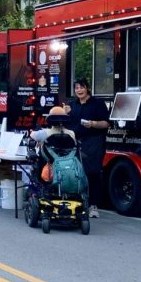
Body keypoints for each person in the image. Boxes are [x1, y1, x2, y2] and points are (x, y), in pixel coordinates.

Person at [53, 78, 108, 218]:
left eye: (81, 87)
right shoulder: (73, 105)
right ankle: (77, 203)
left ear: (87, 88)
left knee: (92, 173)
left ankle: (93, 206)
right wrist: (66, 113)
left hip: (94, 142)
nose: (79, 90)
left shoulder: (98, 104)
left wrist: (93, 124)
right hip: (76, 142)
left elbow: (106, 123)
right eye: (76, 88)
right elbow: (67, 124)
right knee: (75, 171)